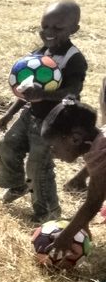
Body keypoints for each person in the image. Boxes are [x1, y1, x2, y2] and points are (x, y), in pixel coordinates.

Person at [0, 0, 85, 223]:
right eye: (45, 26)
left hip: (56, 121)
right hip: (32, 114)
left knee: (38, 166)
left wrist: (43, 94)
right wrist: (9, 113)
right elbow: (28, 91)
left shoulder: (74, 59)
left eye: (58, 28)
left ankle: (48, 213)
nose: (49, 32)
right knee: (7, 146)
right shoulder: (39, 55)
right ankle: (17, 185)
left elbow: (73, 91)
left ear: (74, 29)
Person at [42, 99, 106, 257]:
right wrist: (82, 222)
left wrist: (66, 236)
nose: (52, 154)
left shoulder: (102, 153)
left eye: (53, 147)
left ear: (75, 139)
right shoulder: (99, 143)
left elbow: (93, 203)